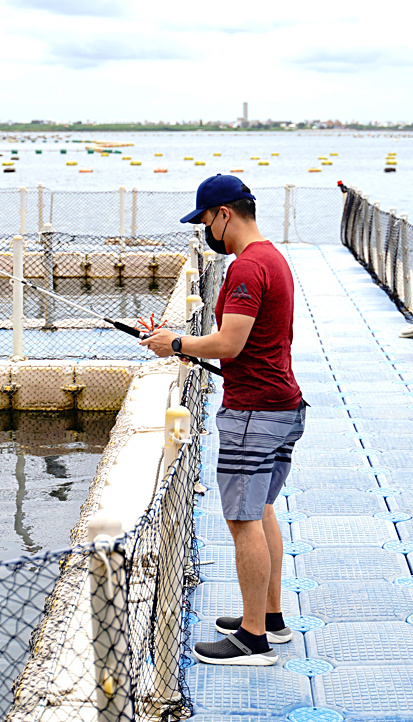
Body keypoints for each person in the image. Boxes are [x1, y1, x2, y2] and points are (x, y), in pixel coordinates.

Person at [139, 174, 305, 666]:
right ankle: (269, 618)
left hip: (255, 411)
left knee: (242, 518)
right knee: (264, 508)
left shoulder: (247, 268)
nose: (205, 230)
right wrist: (188, 346)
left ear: (224, 215)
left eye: (205, 220)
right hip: (281, 404)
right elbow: (247, 345)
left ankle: (252, 640)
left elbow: (230, 342)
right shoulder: (272, 257)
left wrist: (175, 343)